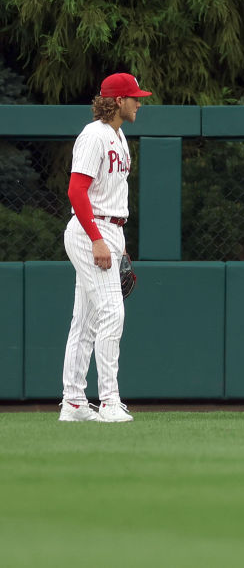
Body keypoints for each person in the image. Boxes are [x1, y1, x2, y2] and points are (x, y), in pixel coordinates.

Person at [59, 72, 152, 423]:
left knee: (85, 321)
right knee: (112, 313)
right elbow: (76, 191)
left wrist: (117, 244)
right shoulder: (94, 135)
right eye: (134, 98)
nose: (138, 103)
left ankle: (74, 401)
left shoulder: (118, 135)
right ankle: (110, 401)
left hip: (109, 228)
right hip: (90, 229)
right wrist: (98, 238)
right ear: (116, 101)